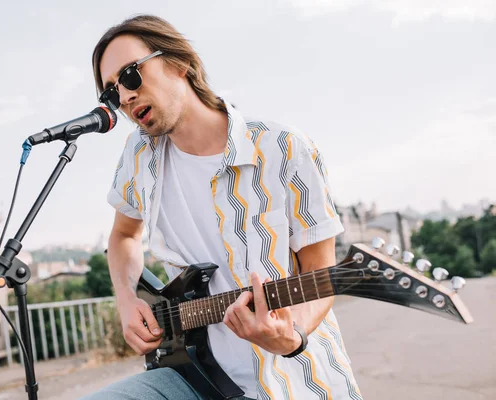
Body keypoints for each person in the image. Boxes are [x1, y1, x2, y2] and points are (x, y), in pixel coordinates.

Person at [82, 14, 363, 400]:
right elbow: (123, 235)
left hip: (293, 380)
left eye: (130, 76)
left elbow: (320, 270)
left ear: (179, 63)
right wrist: (128, 300)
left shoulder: (283, 148)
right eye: (111, 93)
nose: (125, 98)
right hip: (193, 373)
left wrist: (290, 336)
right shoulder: (138, 156)